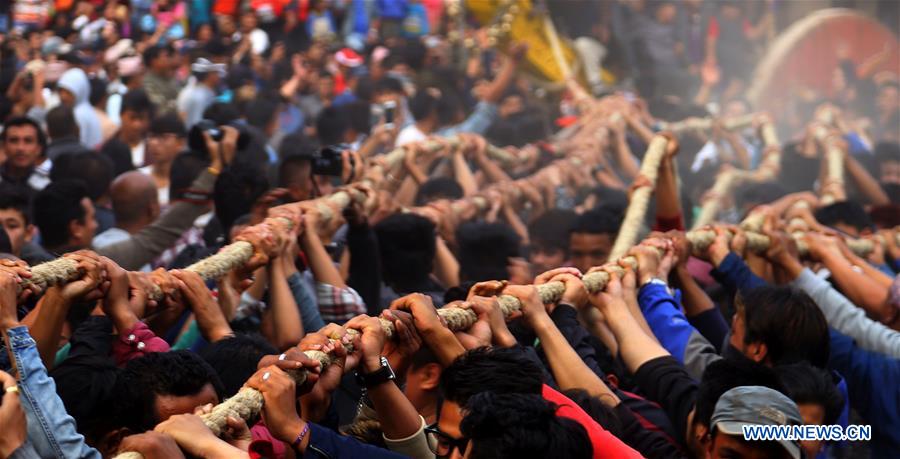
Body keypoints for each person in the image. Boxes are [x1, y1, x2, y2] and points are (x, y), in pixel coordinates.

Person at [0, 116, 51, 198]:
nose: (20, 148)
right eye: (14, 140)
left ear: (39, 148)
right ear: (3, 146)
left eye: (28, 141)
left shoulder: (46, 187)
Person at [57, 67, 103, 148]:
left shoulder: (79, 114)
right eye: (61, 91)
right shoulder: (86, 110)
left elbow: (79, 145)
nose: (63, 96)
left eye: (68, 92)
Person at [177, 58, 225, 128]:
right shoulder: (198, 95)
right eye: (216, 73)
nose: (219, 76)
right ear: (210, 75)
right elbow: (196, 123)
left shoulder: (203, 91)